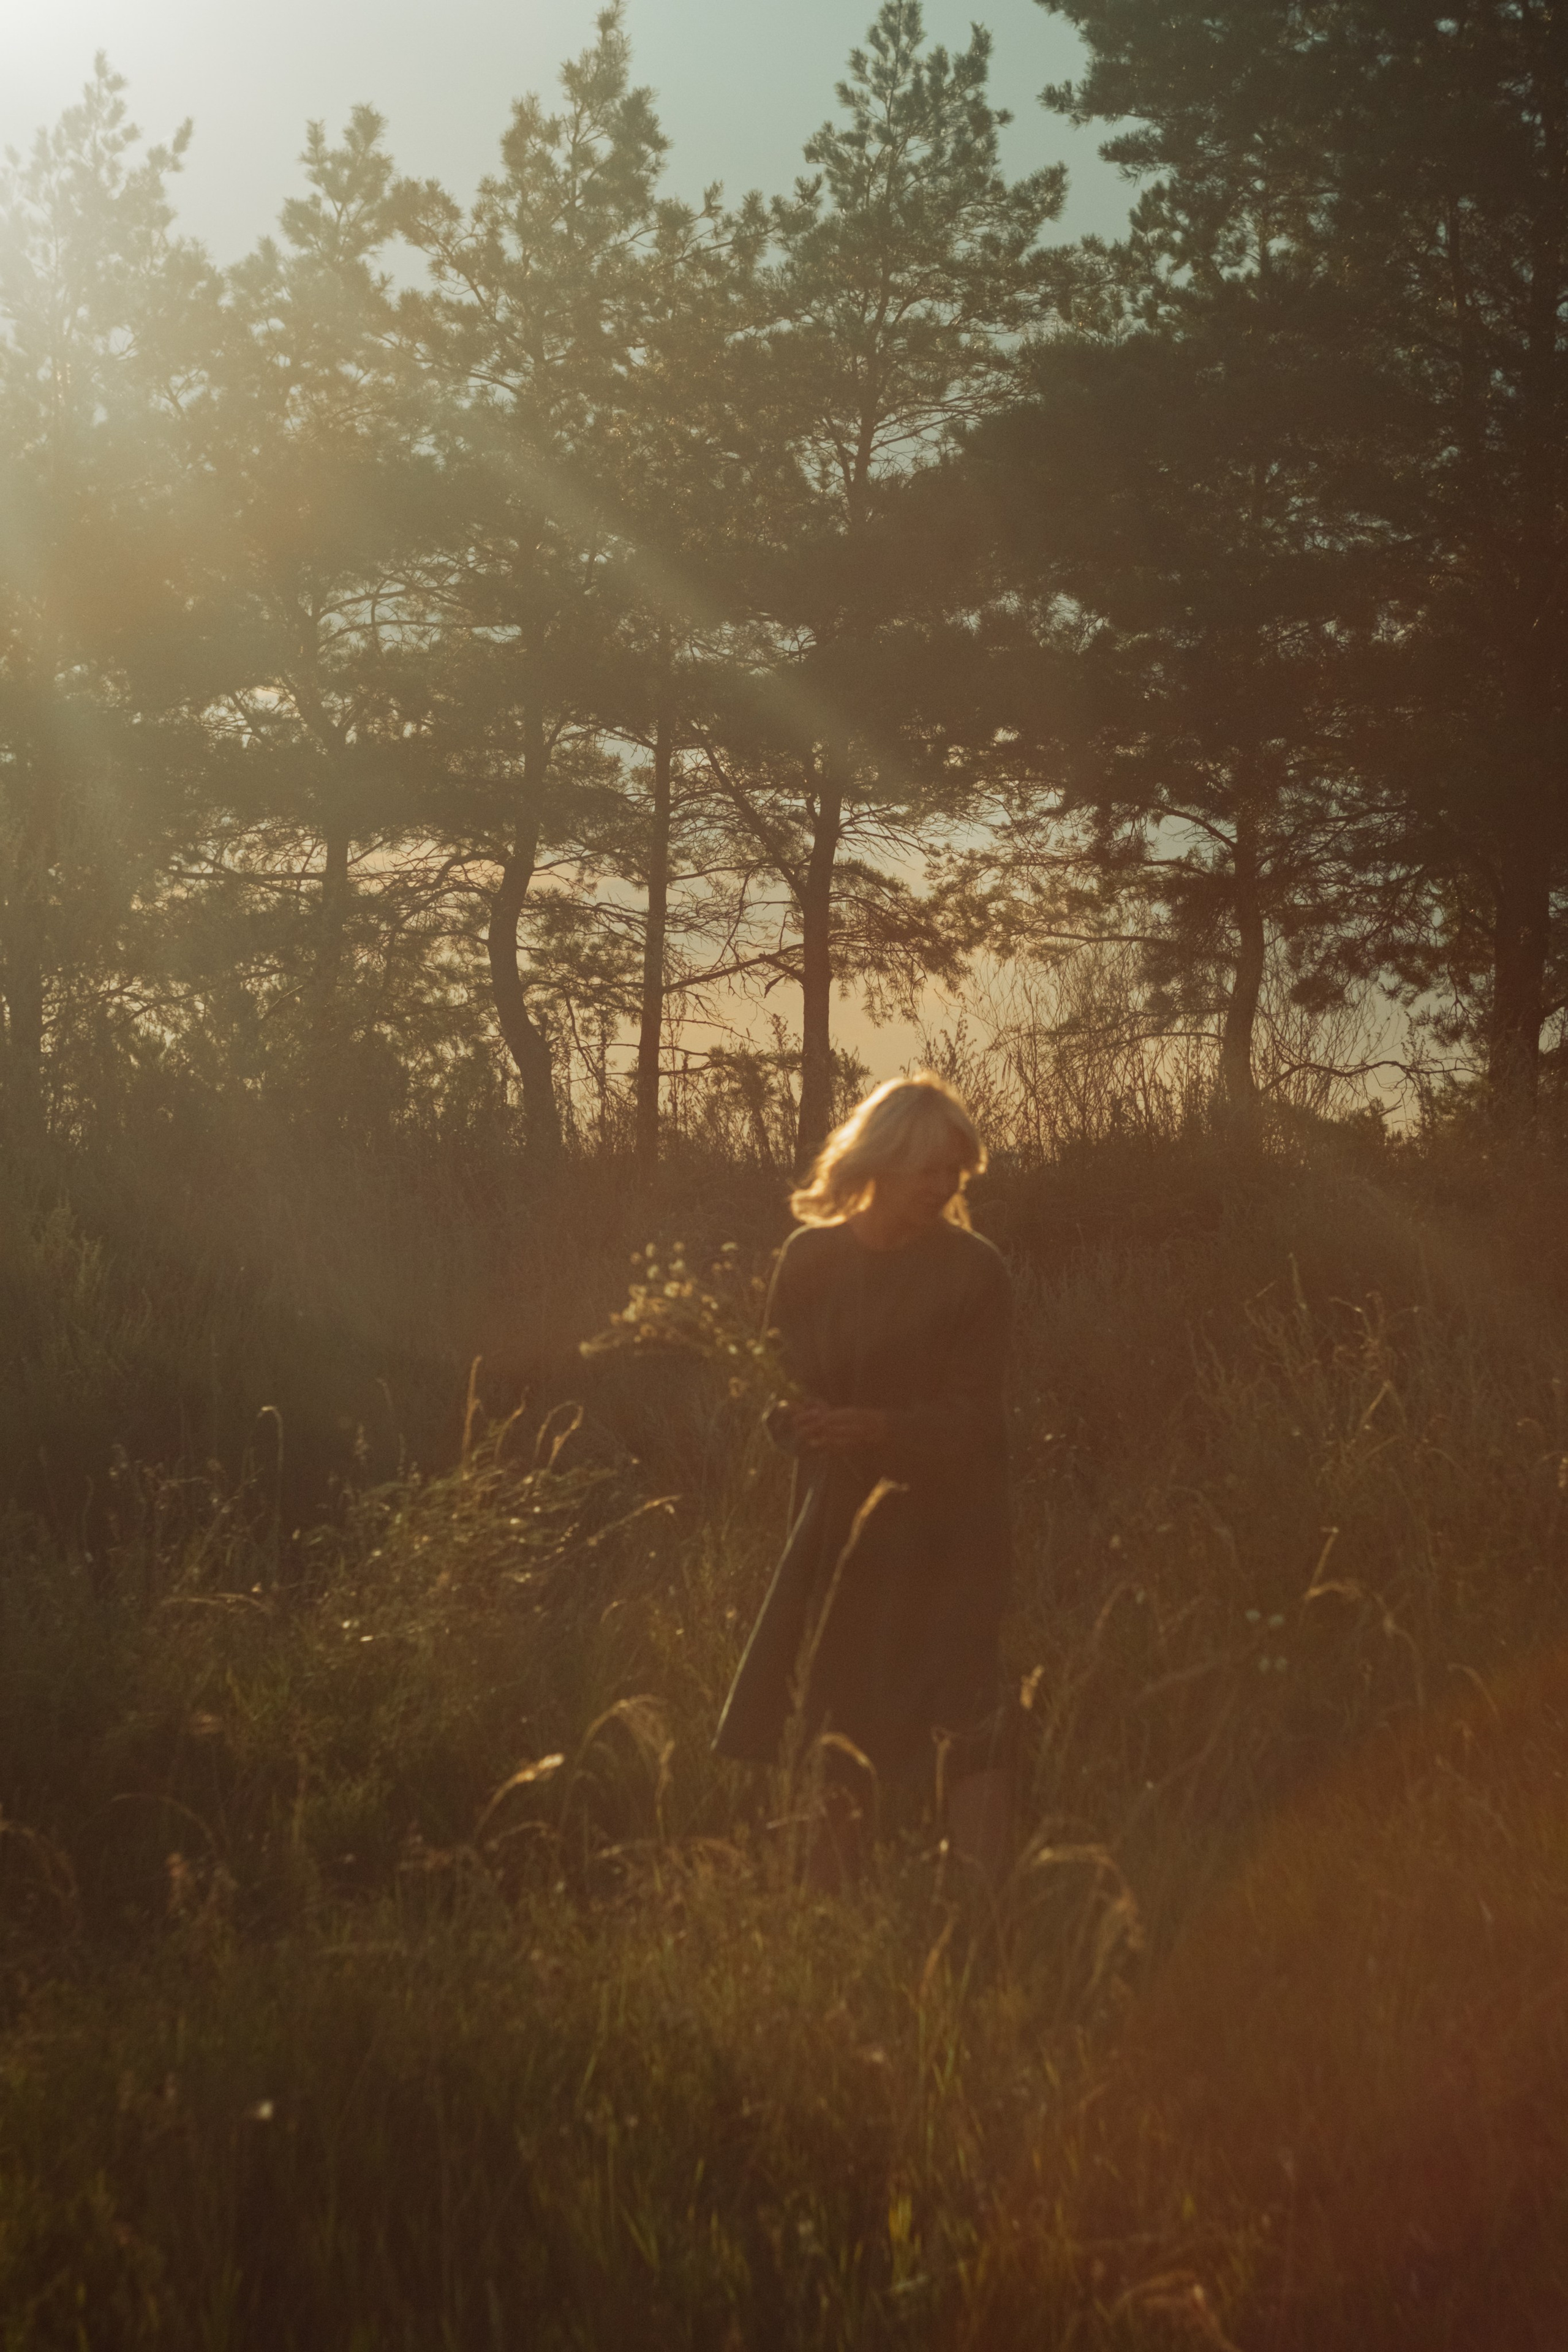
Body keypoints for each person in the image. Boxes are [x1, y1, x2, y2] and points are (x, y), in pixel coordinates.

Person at [714, 1073, 1014, 1888]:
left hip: (954, 1528)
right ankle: (827, 1913)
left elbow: (978, 1420)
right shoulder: (808, 1258)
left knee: (969, 1717)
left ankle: (985, 1911)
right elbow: (777, 1393)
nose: (944, 1186)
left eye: (955, 1172)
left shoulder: (976, 1270)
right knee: (836, 1718)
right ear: (882, 1160)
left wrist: (881, 1428)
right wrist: (801, 1421)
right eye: (929, 1169)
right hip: (839, 1528)